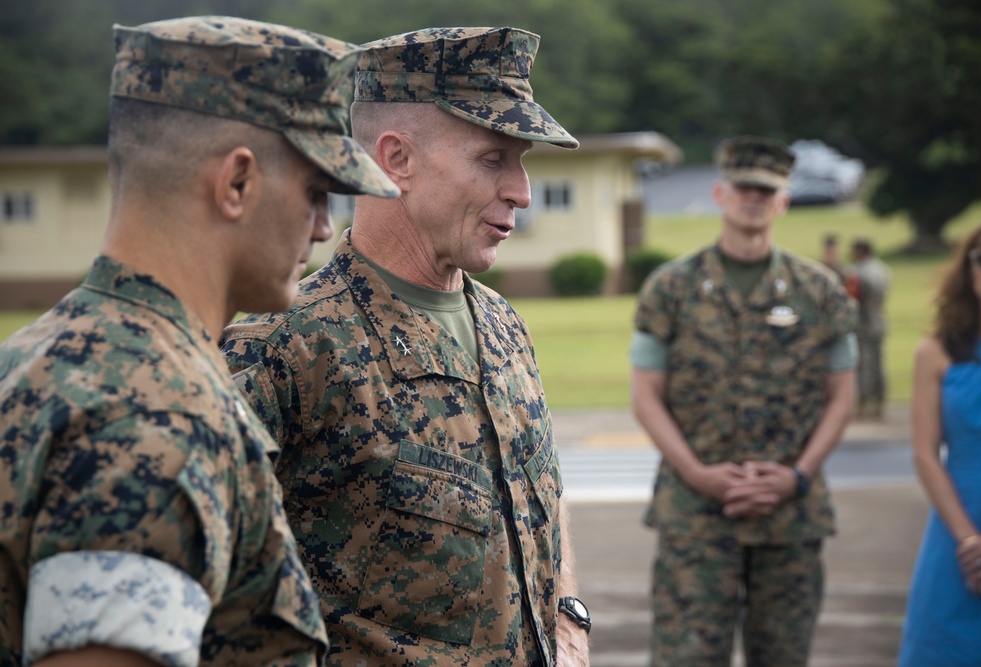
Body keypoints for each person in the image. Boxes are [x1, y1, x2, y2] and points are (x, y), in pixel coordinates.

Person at [0, 16, 400, 667]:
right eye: (317, 192)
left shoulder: (32, 355)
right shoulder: (158, 415)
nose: (326, 229)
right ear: (236, 183)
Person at [221, 27, 590, 666]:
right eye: (493, 159)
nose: (522, 191)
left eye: (522, 161)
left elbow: (541, 500)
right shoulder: (285, 347)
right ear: (397, 160)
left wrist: (569, 619)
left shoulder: (502, 325)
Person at [630, 135, 858, 666]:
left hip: (790, 516)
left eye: (766, 190)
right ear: (719, 193)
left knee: (783, 656)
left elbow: (841, 400)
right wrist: (698, 473)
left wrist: (796, 476)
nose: (753, 198)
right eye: (743, 187)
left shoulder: (821, 292)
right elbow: (646, 397)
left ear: (782, 201)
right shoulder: (670, 288)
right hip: (696, 516)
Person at [897, 216, 981, 666]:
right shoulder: (935, 351)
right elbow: (924, 454)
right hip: (957, 534)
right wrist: (972, 546)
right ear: (968, 267)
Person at [847, 238, 891, 419]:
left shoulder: (858, 272)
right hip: (879, 321)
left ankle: (863, 406)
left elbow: (854, 295)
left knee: (863, 366)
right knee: (878, 364)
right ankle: (880, 405)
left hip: (863, 324)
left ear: (860, 251)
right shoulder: (883, 270)